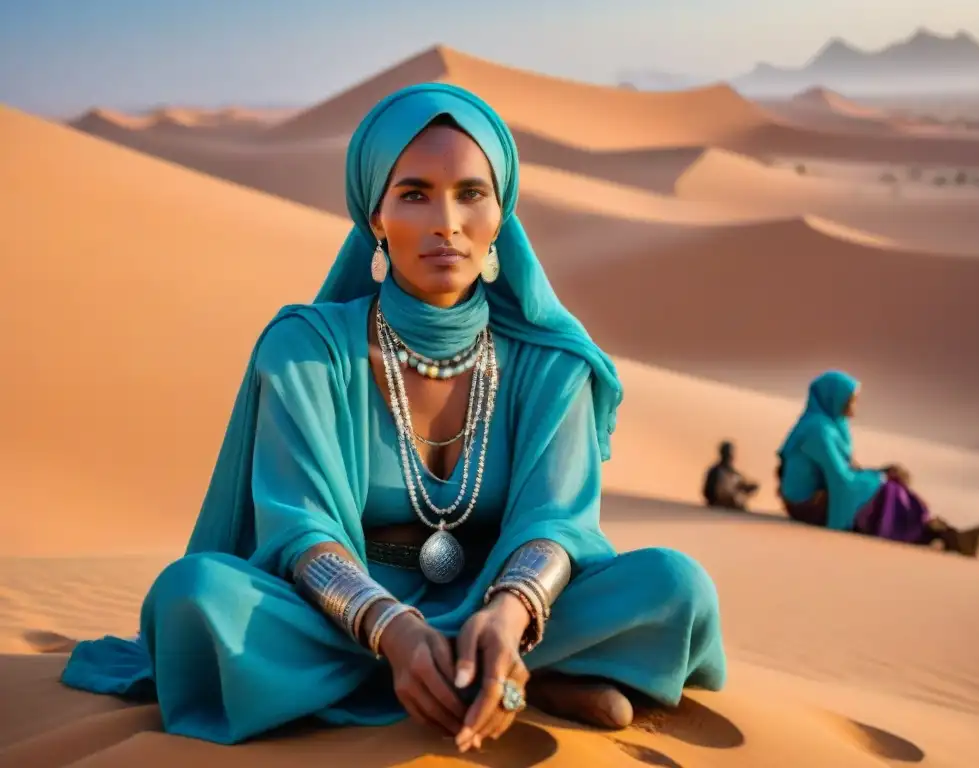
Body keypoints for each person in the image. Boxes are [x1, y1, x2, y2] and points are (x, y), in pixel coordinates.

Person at [59, 84, 726, 751]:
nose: (447, 221)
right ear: (375, 217)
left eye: (471, 193)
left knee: (676, 585)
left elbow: (556, 523)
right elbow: (301, 530)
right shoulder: (309, 347)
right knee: (195, 596)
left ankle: (485, 662)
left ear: (501, 214)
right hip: (339, 616)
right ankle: (515, 681)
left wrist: (509, 613)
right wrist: (394, 630)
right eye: (414, 194)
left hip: (500, 609)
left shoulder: (551, 362)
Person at [777, 370, 979, 555]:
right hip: (809, 506)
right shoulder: (818, 432)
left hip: (824, 494)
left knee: (890, 482)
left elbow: (844, 470)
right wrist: (838, 527)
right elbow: (839, 480)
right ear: (834, 398)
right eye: (850, 398)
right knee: (886, 493)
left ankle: (943, 532)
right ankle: (943, 535)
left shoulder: (830, 425)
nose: (854, 403)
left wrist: (878, 475)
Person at [701, 441, 759, 510]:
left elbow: (741, 486)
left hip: (733, 507)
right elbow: (708, 492)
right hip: (718, 507)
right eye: (728, 453)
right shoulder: (715, 472)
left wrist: (747, 488)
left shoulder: (735, 474)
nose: (730, 456)